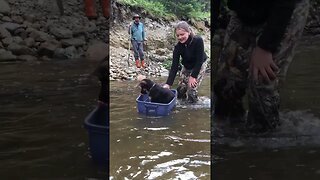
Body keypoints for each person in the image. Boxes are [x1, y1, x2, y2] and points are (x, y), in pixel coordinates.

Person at [212, 0, 310, 133]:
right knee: (226, 83)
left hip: (288, 8)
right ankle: (229, 138)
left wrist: (265, 47)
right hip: (244, 13)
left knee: (261, 82)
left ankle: (266, 142)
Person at [163, 21, 208, 103]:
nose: (180, 37)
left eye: (182, 34)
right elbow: (174, 66)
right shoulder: (177, 47)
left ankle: (194, 109)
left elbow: (199, 60)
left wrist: (193, 76)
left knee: (191, 91)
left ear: (189, 32)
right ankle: (183, 107)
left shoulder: (198, 40)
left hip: (199, 64)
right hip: (187, 66)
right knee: (180, 90)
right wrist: (168, 84)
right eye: (178, 35)